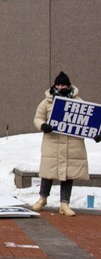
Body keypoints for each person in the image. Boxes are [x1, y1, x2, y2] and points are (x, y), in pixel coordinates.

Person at [32, 71, 100, 216]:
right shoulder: (46, 102)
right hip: (53, 143)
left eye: (63, 84)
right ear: (54, 85)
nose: (61, 87)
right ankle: (42, 198)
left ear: (68, 86)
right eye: (58, 84)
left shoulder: (79, 102)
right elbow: (38, 118)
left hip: (72, 145)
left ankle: (64, 203)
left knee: (68, 175)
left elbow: (88, 121)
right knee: (48, 172)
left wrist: (96, 133)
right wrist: (43, 126)